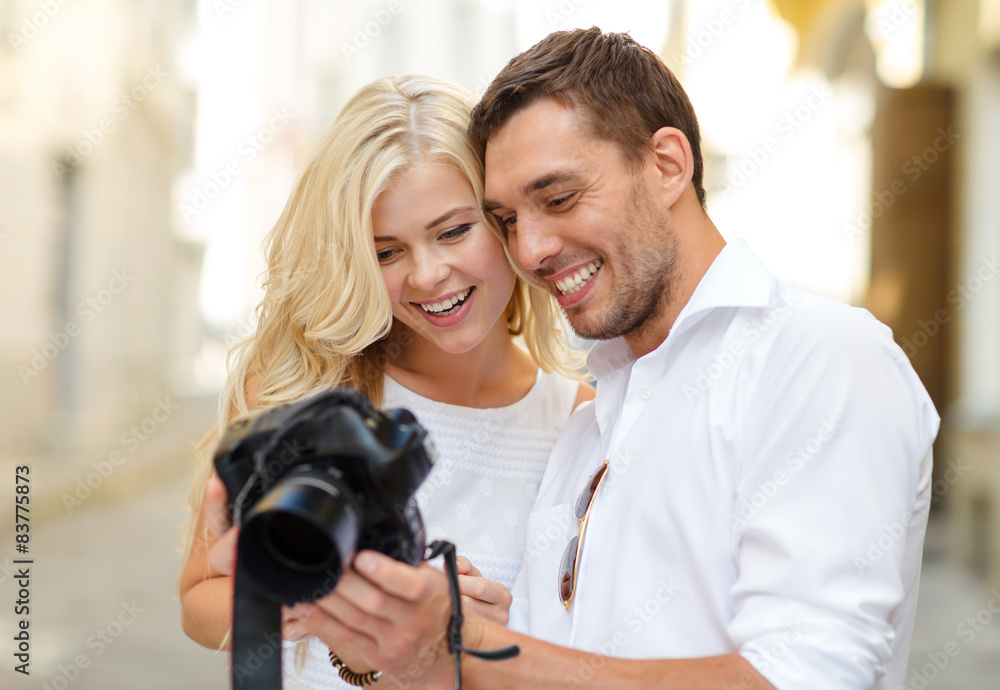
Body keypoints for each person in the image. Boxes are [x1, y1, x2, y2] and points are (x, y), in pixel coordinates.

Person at [258, 28, 941, 690]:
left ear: (668, 165)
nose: (530, 251)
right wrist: (417, 631)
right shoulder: (592, 424)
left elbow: (803, 677)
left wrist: (475, 648)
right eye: (507, 221)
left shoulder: (820, 358)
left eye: (558, 199)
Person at [178, 74, 594, 689]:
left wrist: (488, 640)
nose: (428, 275)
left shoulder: (578, 420)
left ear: (506, 219)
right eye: (386, 251)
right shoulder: (305, 389)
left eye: (454, 231)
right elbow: (199, 602)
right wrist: (318, 599)